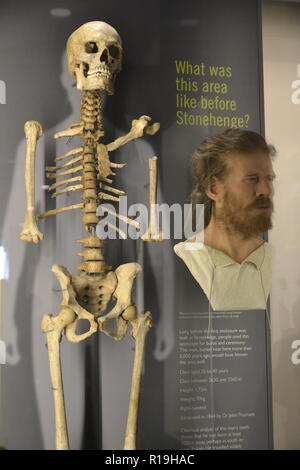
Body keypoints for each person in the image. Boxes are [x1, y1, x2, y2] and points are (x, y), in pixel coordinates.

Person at [174, 128, 276, 311]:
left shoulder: (272, 258)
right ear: (215, 189)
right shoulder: (186, 258)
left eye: (269, 179)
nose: (265, 190)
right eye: (252, 179)